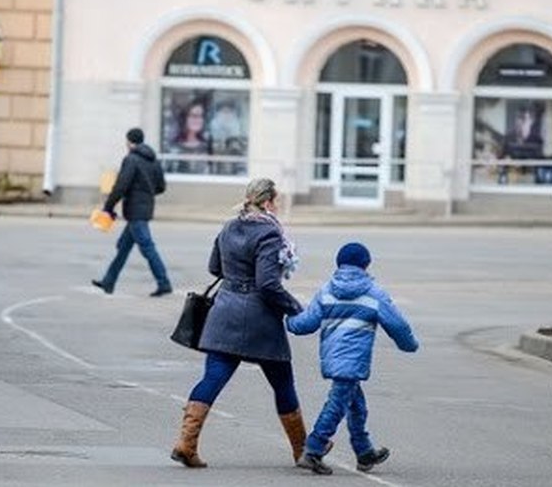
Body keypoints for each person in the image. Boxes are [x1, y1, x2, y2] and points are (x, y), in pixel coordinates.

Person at [170, 178, 311, 469]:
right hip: (259, 319)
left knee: (213, 378)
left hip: (224, 314)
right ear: (269, 201)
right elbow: (268, 284)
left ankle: (186, 443)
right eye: (277, 201)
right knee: (283, 381)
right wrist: (295, 307)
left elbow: (214, 268)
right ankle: (302, 451)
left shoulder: (229, 226)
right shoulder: (270, 233)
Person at [287, 242, 419, 475]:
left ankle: (364, 452)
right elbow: (397, 325)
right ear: (366, 265)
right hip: (353, 360)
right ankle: (313, 449)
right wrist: (409, 345)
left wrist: (289, 320)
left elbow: (305, 324)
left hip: (331, 358)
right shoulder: (374, 293)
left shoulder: (327, 290)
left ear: (339, 264)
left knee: (357, 405)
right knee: (337, 404)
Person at [91, 127, 173, 297]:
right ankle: (108, 281)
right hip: (144, 209)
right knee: (123, 247)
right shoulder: (153, 160)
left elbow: (121, 185)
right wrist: (146, 192)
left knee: (147, 247)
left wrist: (108, 207)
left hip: (136, 211)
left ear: (129, 142)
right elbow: (161, 187)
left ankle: (164, 282)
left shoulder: (131, 159)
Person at [167, 99, 212, 175]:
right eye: (194, 116)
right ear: (185, 118)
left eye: (201, 116)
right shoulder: (174, 148)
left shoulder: (207, 147)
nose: (198, 120)